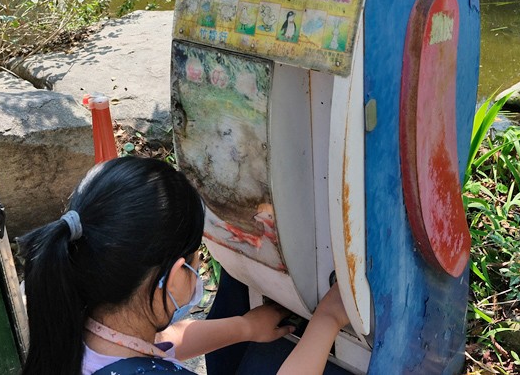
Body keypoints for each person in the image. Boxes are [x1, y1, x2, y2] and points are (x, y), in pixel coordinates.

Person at [20, 156, 350, 375]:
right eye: (197, 258)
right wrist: (327, 319)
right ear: (176, 275)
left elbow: (163, 343)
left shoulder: (72, 328)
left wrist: (244, 327)